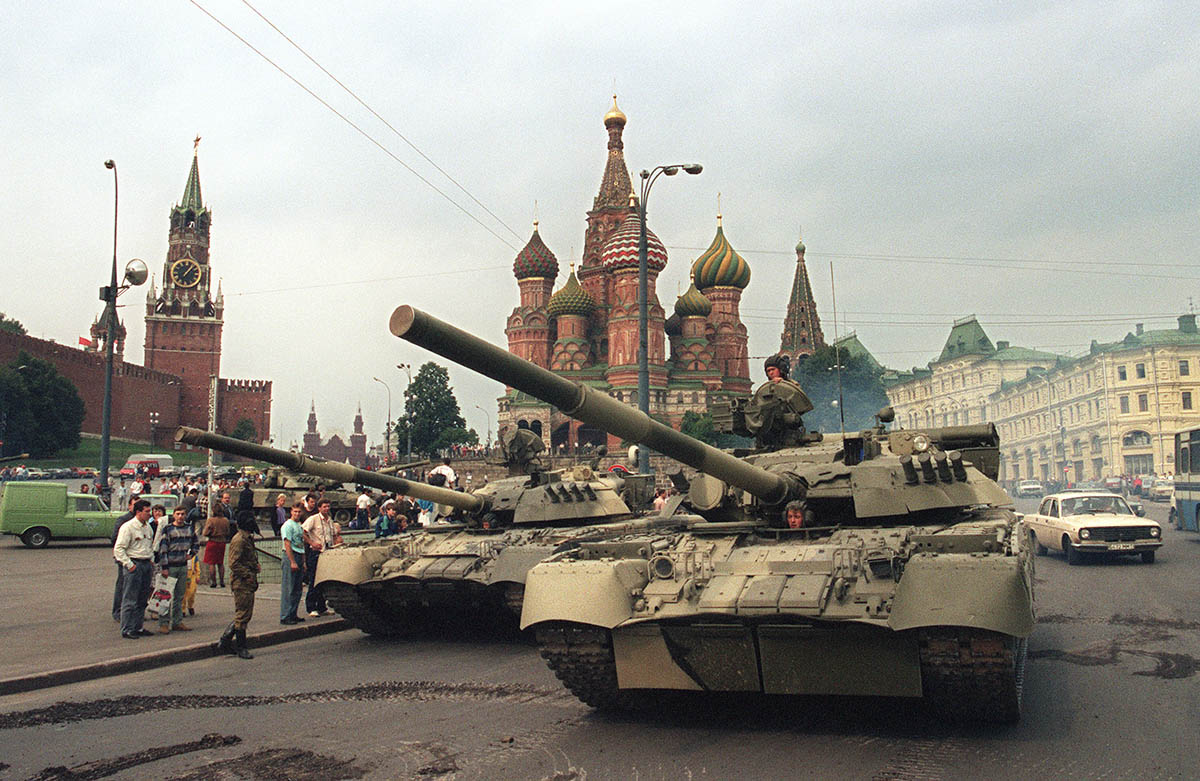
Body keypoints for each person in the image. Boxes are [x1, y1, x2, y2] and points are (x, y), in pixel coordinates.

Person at [218, 514, 260, 659]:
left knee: (245, 614)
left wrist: (254, 566)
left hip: (248, 580)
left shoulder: (247, 538)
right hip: (241, 582)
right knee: (242, 614)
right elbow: (234, 563)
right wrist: (247, 574)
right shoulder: (239, 540)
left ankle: (226, 641)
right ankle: (239, 646)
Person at [113, 500, 156, 639]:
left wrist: (151, 560)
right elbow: (119, 549)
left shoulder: (147, 527)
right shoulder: (128, 527)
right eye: (147, 511)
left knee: (142, 599)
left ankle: (138, 627)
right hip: (134, 564)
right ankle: (127, 628)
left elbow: (149, 546)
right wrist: (129, 564)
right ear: (138, 512)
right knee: (130, 598)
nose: (150, 514)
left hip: (146, 564)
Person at [155, 506, 198, 633]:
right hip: (170, 566)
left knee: (179, 596)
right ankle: (163, 623)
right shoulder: (168, 529)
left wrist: (192, 554)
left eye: (183, 514)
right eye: (178, 514)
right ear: (173, 515)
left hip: (183, 565)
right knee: (165, 595)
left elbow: (196, 543)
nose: (180, 516)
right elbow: (162, 549)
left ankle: (177, 621)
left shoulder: (189, 528)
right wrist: (164, 567)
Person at [302, 498, 341, 616]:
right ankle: (311, 607)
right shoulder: (313, 519)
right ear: (319, 508)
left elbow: (334, 535)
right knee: (314, 580)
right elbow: (302, 531)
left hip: (327, 553)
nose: (327, 509)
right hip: (316, 553)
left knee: (324, 581)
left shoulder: (330, 521)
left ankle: (322, 606)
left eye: (328, 506)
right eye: (324, 507)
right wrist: (312, 543)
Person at [110, 497, 138, 622]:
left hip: (138, 558)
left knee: (135, 586)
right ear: (129, 506)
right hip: (124, 558)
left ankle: (132, 611)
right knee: (122, 585)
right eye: (135, 505)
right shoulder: (123, 520)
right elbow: (114, 539)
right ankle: (118, 611)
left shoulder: (144, 521)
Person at [279, 501, 307, 625]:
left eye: (299, 512)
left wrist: (303, 561)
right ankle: (285, 616)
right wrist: (292, 561)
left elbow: (302, 544)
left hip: (299, 555)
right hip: (291, 556)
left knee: (297, 588)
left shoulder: (299, 525)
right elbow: (287, 544)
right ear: (291, 512)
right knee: (288, 588)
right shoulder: (287, 525)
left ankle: (293, 613)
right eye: (295, 511)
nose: (297, 514)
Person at [201, 505, 231, 588]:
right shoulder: (226, 520)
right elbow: (228, 531)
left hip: (212, 542)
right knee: (220, 563)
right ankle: (222, 581)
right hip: (222, 542)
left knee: (212, 563)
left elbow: (205, 532)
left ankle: (213, 582)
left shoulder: (211, 520)